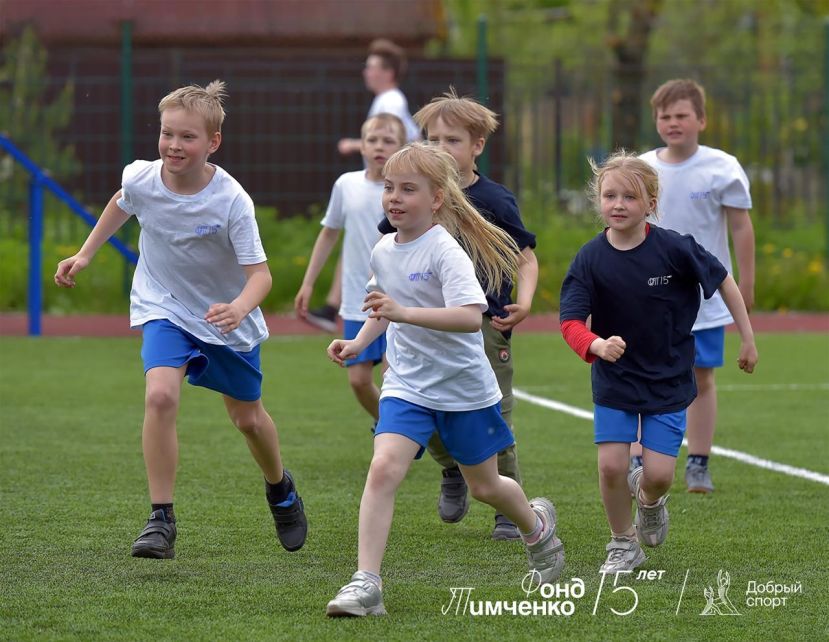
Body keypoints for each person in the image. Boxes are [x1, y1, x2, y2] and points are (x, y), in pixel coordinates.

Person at [54, 80, 307, 559]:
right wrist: (86, 254)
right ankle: (160, 519)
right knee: (161, 394)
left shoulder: (232, 200)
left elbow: (262, 277)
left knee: (248, 419)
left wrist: (239, 307)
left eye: (187, 137)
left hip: (224, 320)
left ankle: (280, 488)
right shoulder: (142, 177)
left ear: (212, 142)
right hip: (162, 304)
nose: (173, 145)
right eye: (167, 133)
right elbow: (122, 201)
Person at [325, 143, 564, 617]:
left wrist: (403, 312)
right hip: (407, 386)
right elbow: (381, 306)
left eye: (408, 189)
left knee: (486, 487)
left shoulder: (445, 249)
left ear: (436, 199)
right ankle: (365, 583)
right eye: (389, 188)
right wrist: (359, 343)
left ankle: (536, 527)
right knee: (383, 468)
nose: (394, 197)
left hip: (463, 389)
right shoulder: (382, 248)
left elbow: (470, 316)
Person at [559, 151, 758, 573]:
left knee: (660, 475)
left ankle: (650, 502)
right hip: (615, 379)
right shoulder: (589, 258)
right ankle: (622, 543)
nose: (618, 204)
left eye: (629, 197)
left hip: (668, 380)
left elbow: (722, 278)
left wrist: (747, 336)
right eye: (609, 195)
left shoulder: (674, 249)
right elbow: (571, 321)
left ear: (650, 203)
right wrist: (595, 346)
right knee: (612, 465)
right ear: (599, 201)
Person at [378, 89, 538, 540]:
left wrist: (523, 302)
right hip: (417, 327)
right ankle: (451, 468)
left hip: (483, 324)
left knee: (496, 416)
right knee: (417, 408)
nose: (440, 149)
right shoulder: (410, 197)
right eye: (432, 139)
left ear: (477, 147)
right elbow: (388, 258)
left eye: (452, 140)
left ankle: (510, 507)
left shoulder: (495, 200)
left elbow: (524, 258)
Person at [637, 79, 755, 493]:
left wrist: (746, 280)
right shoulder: (641, 168)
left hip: (703, 298)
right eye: (664, 116)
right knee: (641, 374)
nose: (672, 122)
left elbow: (741, 226)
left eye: (682, 115)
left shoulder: (723, 168)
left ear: (701, 120)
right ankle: (639, 458)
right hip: (647, 296)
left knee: (701, 378)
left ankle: (699, 462)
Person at [295, 114, 407, 422]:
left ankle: (399, 437)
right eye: (372, 140)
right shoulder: (347, 185)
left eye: (388, 141)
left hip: (398, 300)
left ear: (402, 147)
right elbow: (329, 232)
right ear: (362, 146)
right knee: (358, 381)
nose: (379, 147)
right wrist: (308, 283)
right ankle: (389, 426)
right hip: (358, 303)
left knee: (393, 379)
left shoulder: (407, 192)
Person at [306, 39, 420, 332]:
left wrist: (353, 144)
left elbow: (395, 138)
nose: (366, 73)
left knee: (377, 243)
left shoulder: (391, 101)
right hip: (382, 180)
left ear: (388, 73)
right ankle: (335, 306)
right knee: (358, 238)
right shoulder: (385, 100)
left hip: (392, 182)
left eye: (371, 68)